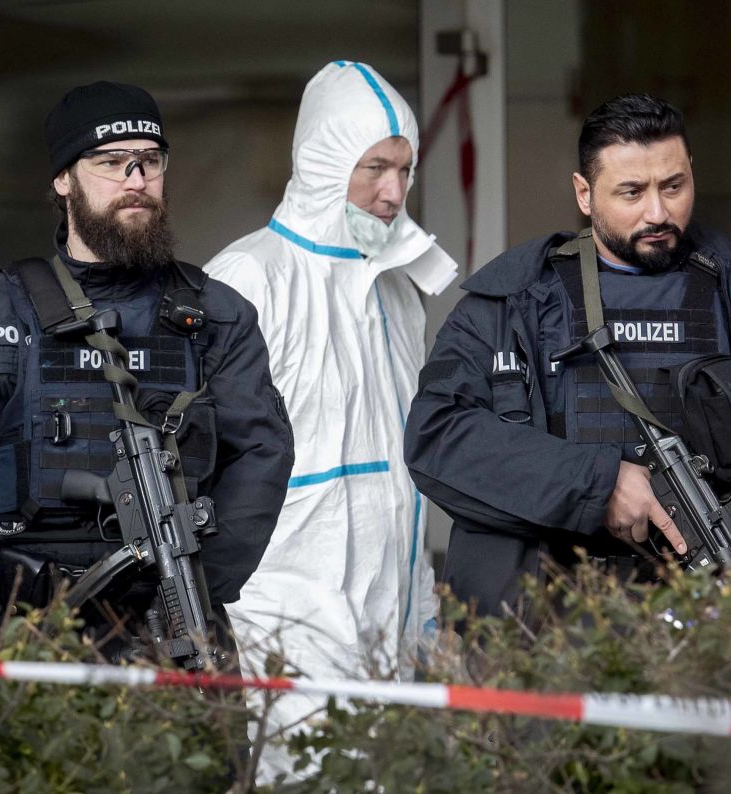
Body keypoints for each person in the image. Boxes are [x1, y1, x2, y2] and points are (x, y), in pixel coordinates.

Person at [404, 94, 731, 617]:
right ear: (584, 193)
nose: (658, 212)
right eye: (631, 192)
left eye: (674, 186)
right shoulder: (513, 304)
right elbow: (436, 437)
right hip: (544, 628)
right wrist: (600, 484)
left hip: (720, 617)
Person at [0, 81, 294, 654]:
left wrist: (197, 589)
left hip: (175, 625)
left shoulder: (217, 313)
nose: (136, 180)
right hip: (29, 628)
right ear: (63, 180)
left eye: (150, 162)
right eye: (111, 163)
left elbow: (263, 454)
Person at [203, 61, 458, 782]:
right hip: (283, 618)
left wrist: (424, 616)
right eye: (374, 167)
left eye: (404, 170)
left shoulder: (398, 288)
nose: (393, 193)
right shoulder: (248, 280)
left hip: (394, 615)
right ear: (322, 160)